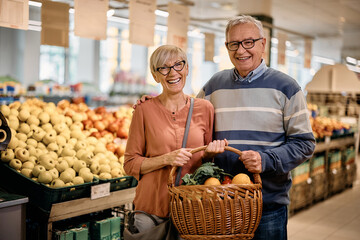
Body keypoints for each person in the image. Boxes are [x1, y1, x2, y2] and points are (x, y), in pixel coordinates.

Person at [196, 15, 316, 239]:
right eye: (234, 44)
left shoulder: (287, 87)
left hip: (267, 206)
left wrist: (266, 160)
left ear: (263, 44)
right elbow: (192, 130)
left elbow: (304, 143)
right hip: (220, 201)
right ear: (227, 47)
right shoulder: (213, 86)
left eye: (248, 42)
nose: (241, 51)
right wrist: (154, 105)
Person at [123, 45, 227, 237]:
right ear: (155, 75)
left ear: (187, 69)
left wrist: (210, 154)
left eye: (178, 65)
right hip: (151, 210)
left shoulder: (205, 109)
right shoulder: (143, 111)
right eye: (164, 68)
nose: (173, 73)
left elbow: (207, 162)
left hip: (192, 208)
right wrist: (165, 159)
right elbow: (130, 164)